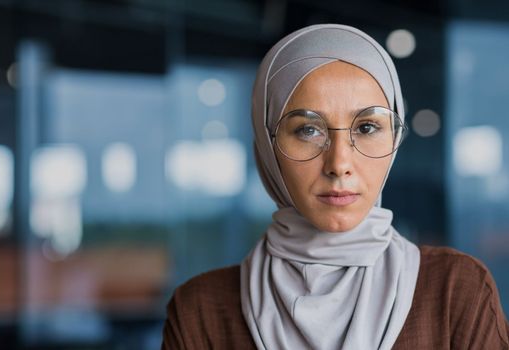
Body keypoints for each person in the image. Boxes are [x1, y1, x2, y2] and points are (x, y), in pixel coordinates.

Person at [161, 24, 509, 349]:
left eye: (368, 127)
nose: (339, 163)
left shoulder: (455, 290)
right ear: (268, 149)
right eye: (307, 130)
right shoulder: (200, 311)